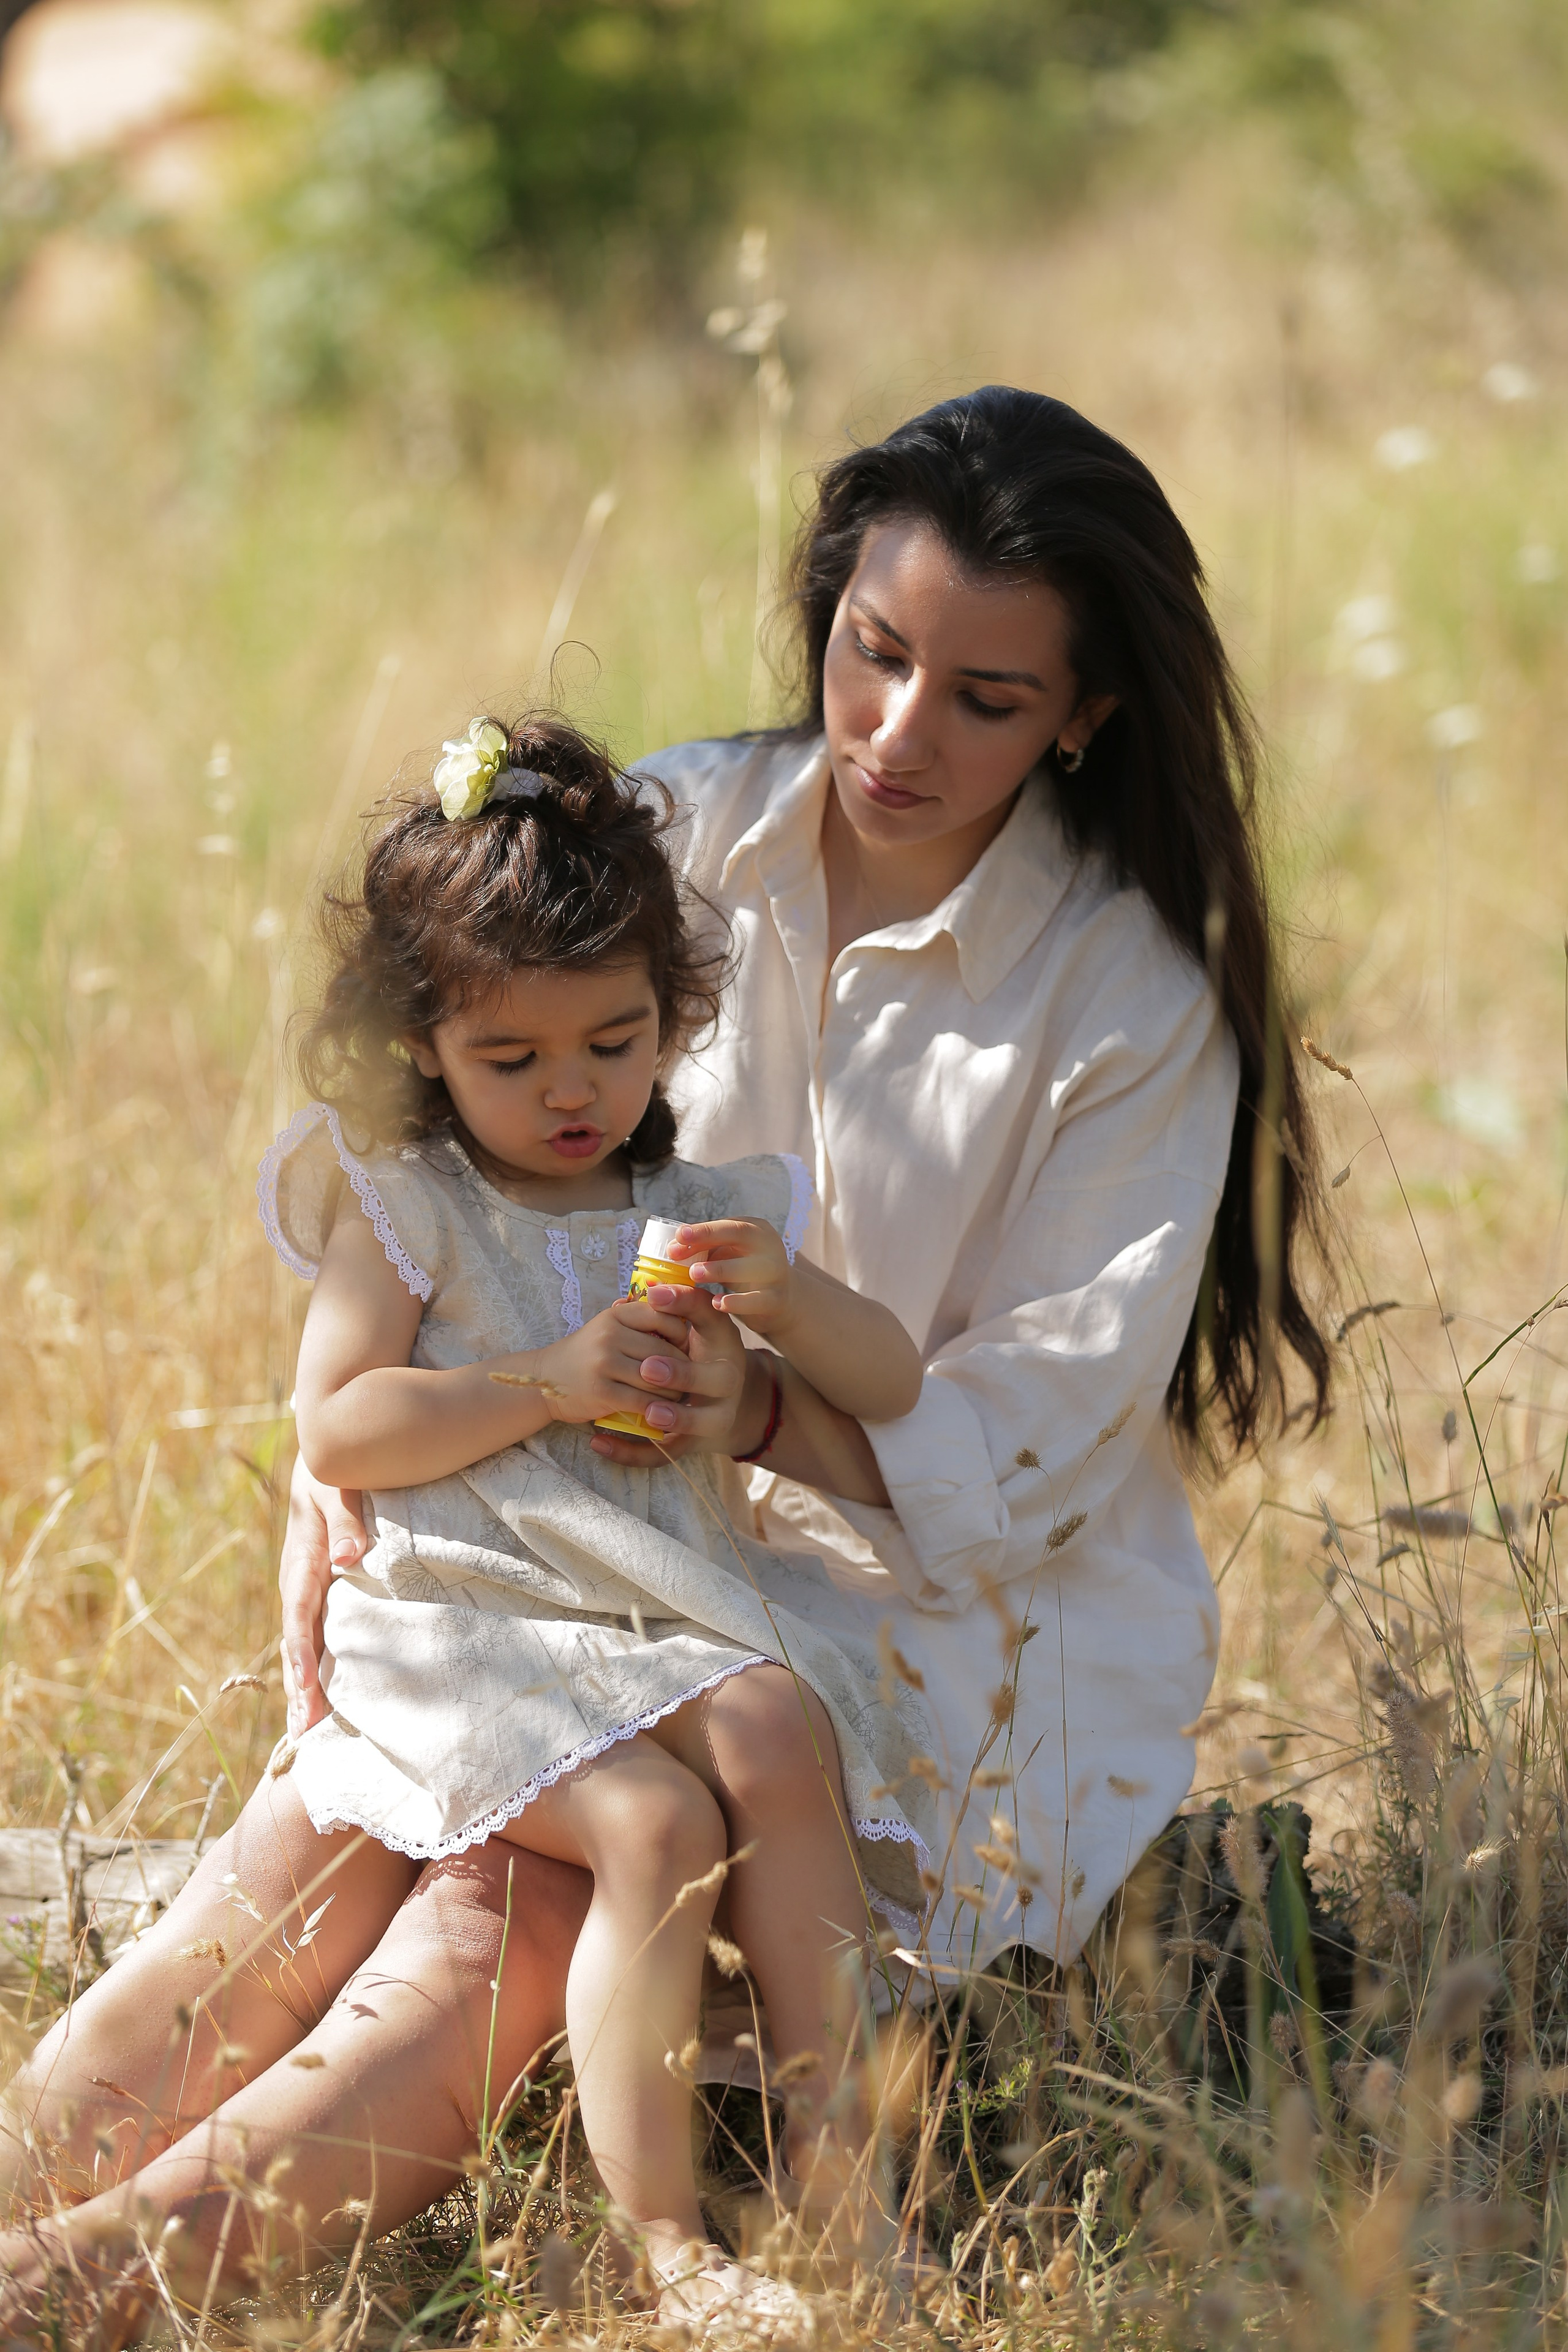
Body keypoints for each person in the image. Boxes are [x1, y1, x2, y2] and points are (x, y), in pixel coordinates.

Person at [0, 386, 1329, 2333]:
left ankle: (93, 2281)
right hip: (577, 1521)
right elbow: (419, 1148)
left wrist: (771, 1399)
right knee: (348, 1839)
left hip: (936, 1602)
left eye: (984, 695)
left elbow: (1036, 1444)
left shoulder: (1125, 999)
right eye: (873, 653)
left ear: (1085, 718)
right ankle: (50, 2204)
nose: (896, 730)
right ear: (829, 616)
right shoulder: (678, 825)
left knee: (504, 1895)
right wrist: (332, 1467)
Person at [263, 707, 930, 2305]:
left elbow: (890, 1380)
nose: (574, 1092)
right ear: (424, 1044)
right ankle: (668, 2241)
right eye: (513, 1059)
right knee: (653, 1820)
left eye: (613, 1044)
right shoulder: (412, 1203)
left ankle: (847, 2179)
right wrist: (554, 1382)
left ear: (670, 1017)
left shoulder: (692, 1214)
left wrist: (786, 1301)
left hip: (654, 1619)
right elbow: (341, 1427)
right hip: (471, 1628)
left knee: (776, 1727)